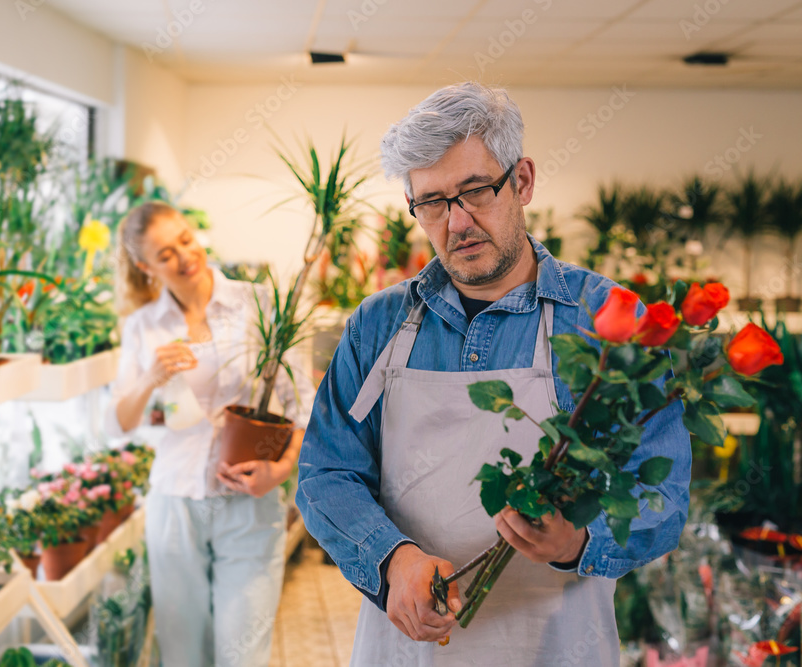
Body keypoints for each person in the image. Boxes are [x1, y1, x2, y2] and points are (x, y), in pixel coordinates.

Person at [295, 82, 691, 666]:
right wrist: (390, 558)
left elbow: (662, 494)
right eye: (431, 202)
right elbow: (325, 471)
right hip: (407, 649)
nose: (456, 223)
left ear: (522, 181)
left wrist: (579, 538)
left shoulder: (606, 320)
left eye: (475, 190)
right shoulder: (377, 327)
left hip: (558, 648)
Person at [105, 201, 314, 667]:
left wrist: (280, 470)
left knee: (243, 652)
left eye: (184, 239)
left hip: (248, 497)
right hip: (175, 502)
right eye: (164, 254)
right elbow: (117, 422)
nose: (183, 256)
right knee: (182, 654)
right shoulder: (143, 326)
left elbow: (303, 400)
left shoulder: (256, 302)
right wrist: (149, 378)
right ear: (145, 267)